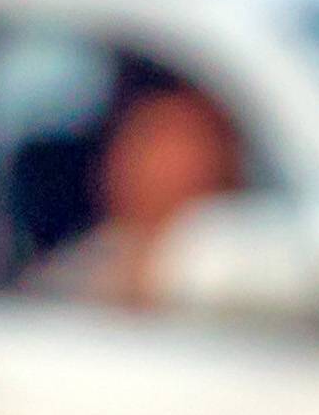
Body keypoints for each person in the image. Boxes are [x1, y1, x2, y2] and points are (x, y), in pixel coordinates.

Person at [29, 81, 244, 309]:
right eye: (152, 144)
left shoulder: (243, 262)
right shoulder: (74, 272)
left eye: (189, 146)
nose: (166, 171)